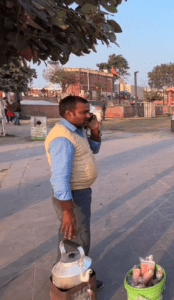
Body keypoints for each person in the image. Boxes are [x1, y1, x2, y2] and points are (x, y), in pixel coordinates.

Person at [45, 96, 104, 291]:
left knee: (75, 237)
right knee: (76, 238)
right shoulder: (62, 137)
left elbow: (93, 150)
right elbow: (59, 178)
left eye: (88, 111)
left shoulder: (77, 130)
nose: (88, 115)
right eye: (83, 112)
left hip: (80, 193)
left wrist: (94, 129)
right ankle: (70, 284)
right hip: (72, 196)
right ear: (69, 113)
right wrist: (68, 211)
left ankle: (71, 278)